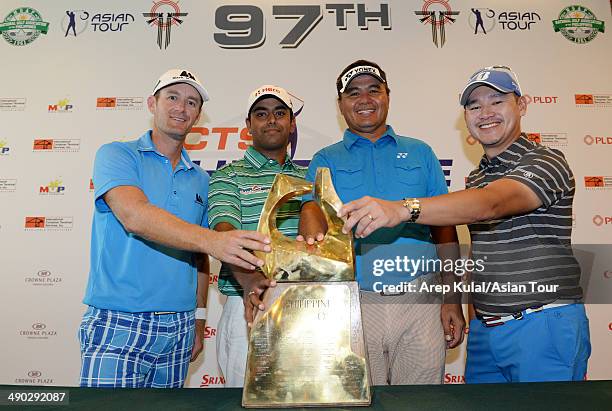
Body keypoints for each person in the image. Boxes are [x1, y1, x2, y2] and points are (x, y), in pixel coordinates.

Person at [338, 65, 591, 383]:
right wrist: (458, 303)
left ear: (522, 105)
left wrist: (404, 209)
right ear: (466, 118)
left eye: (497, 101)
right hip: (487, 332)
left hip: (542, 323)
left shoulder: (546, 161)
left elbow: (491, 204)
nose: (485, 112)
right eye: (474, 105)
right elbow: (482, 253)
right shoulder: (478, 177)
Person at [79, 69, 271, 388]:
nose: (181, 108)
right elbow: (134, 215)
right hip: (119, 320)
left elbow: (200, 257)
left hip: (179, 328)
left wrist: (198, 320)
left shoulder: (201, 179)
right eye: (172, 97)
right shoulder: (116, 155)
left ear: (198, 115)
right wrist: (214, 240)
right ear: (152, 103)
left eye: (191, 102)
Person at [299, 60, 465, 385]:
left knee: (421, 405)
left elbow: (445, 226)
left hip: (421, 299)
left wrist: (452, 298)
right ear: (340, 105)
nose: (365, 100)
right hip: (356, 301)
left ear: (388, 95)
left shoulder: (421, 153)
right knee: (360, 401)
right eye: (354, 93)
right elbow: (310, 215)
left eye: (374, 90)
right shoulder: (325, 159)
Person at [208, 85, 306, 387]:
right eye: (261, 114)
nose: (271, 120)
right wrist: (251, 280)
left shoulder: (308, 177)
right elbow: (224, 233)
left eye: (280, 113)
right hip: (248, 304)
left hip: (306, 307)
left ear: (291, 123)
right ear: (248, 126)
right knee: (247, 401)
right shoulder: (229, 176)